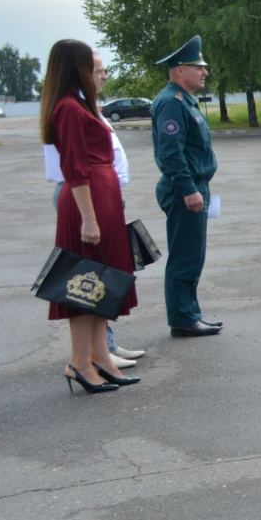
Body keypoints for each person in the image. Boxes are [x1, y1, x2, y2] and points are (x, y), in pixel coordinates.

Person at [42, 39, 139, 394]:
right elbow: (75, 168)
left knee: (103, 283)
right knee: (83, 286)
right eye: (91, 65)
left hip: (101, 199)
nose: (99, 72)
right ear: (75, 67)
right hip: (87, 203)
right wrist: (89, 218)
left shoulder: (80, 105)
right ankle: (79, 362)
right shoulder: (68, 108)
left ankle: (100, 356)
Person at [152, 35, 222, 337]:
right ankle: (182, 318)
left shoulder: (184, 101)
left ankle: (189, 313)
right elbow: (171, 153)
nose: (205, 72)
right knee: (185, 255)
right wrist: (188, 189)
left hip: (194, 186)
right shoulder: (171, 102)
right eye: (199, 67)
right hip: (185, 189)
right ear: (180, 70)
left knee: (193, 254)